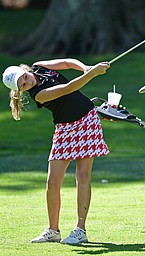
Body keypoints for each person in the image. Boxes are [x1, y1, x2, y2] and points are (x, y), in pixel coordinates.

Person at [2, 58, 111, 244]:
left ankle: (80, 230)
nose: (28, 82)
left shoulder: (39, 67)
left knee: (83, 176)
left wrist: (85, 67)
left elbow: (68, 62)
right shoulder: (39, 95)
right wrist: (91, 74)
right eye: (23, 86)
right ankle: (53, 230)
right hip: (64, 129)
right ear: (20, 91)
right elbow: (67, 88)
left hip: (87, 120)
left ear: (25, 70)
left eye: (25, 77)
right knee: (53, 182)